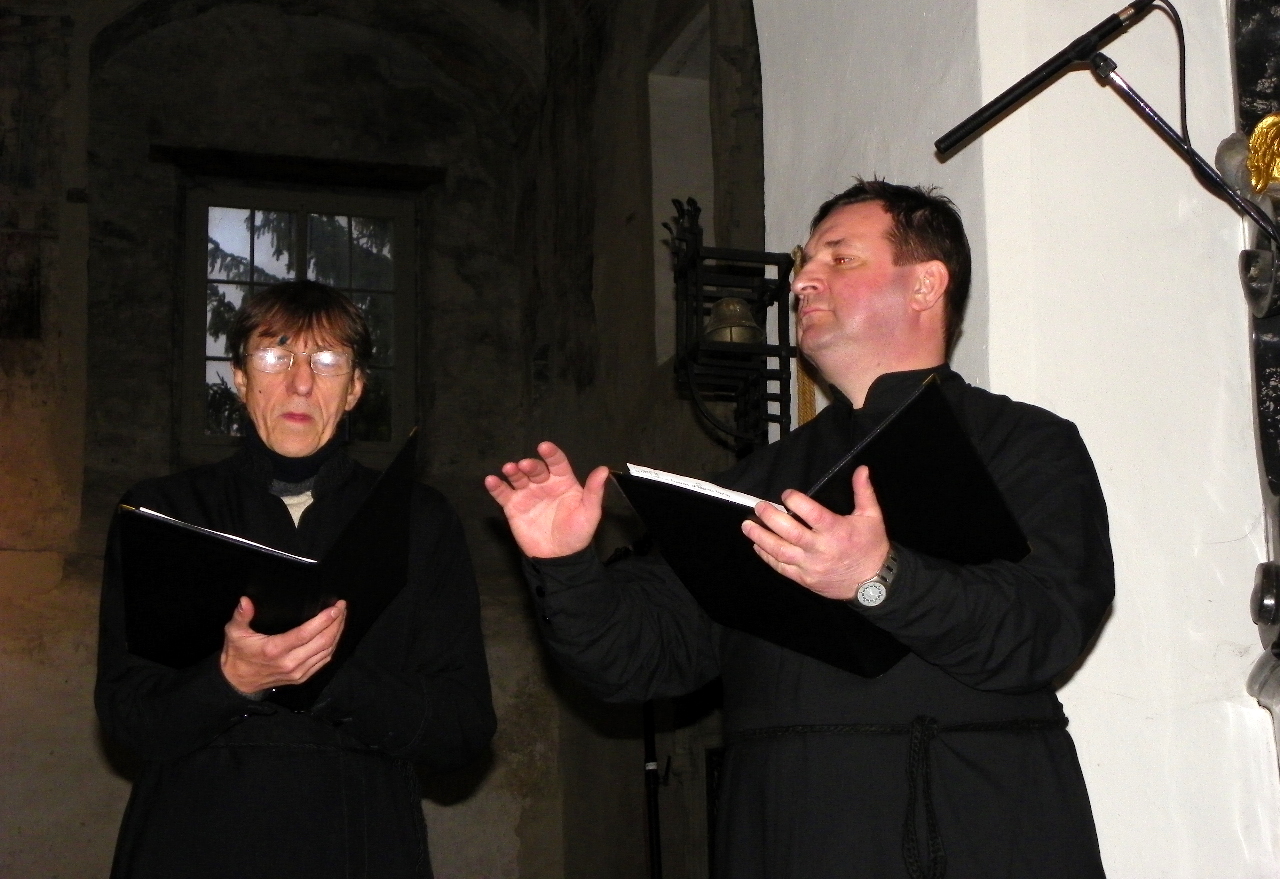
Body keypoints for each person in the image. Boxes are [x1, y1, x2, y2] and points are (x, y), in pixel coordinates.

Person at [486, 180, 1114, 879]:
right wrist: (566, 563)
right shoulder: (757, 479)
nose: (803, 280)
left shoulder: (1024, 445)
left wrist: (880, 580)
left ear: (925, 284)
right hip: (781, 833)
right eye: (803, 262)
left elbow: (1046, 628)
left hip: (970, 829)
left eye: (839, 258)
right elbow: (641, 656)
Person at [97, 280, 495, 879]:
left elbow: (461, 730)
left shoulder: (419, 521)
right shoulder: (164, 513)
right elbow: (126, 715)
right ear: (240, 377)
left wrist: (333, 676)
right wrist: (230, 680)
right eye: (274, 355)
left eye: (328, 361)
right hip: (195, 839)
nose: (301, 382)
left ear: (355, 388)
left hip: (357, 842)